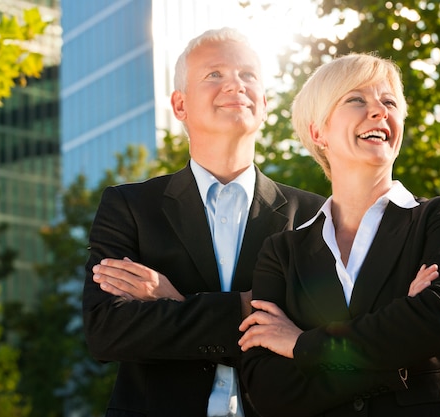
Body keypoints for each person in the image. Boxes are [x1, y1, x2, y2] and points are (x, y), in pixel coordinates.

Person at [82, 27, 327, 417]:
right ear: (180, 105)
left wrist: (175, 303)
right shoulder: (128, 205)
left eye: (247, 75)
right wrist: (248, 311)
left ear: (264, 102)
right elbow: (108, 332)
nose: (234, 84)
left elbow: (318, 332)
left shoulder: (315, 214)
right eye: (214, 74)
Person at [238, 53, 440, 416]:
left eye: (389, 102)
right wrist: (402, 334)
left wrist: (302, 345)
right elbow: (271, 391)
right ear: (318, 132)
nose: (379, 111)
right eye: (356, 99)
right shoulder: (282, 253)